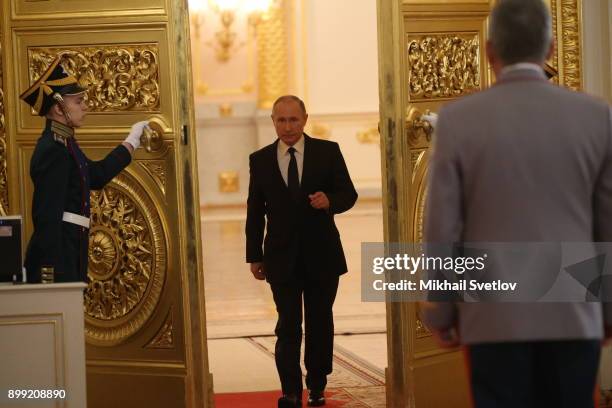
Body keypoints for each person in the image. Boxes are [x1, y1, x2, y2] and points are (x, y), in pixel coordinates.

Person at [420, 0, 612, 407]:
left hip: (493, 314)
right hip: (573, 312)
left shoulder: (459, 119)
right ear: (552, 49)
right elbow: (607, 222)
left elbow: (442, 227)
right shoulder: (596, 116)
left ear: (489, 52)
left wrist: (440, 306)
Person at [246, 95, 357, 408]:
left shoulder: (327, 152)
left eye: (293, 119)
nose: (288, 126)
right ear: (273, 122)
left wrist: (330, 201)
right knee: (288, 325)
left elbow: (348, 194)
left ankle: (318, 385)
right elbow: (255, 211)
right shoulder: (261, 159)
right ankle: (290, 391)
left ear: (305, 119)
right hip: (280, 257)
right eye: (281, 120)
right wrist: (254, 255)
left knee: (320, 323)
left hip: (322, 255)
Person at [20, 55, 149, 283]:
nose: (85, 107)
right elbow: (47, 218)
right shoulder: (53, 149)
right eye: (78, 102)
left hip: (72, 249)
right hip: (58, 261)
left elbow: (95, 176)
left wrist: (131, 142)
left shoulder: (65, 143)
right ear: (59, 108)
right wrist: (51, 274)